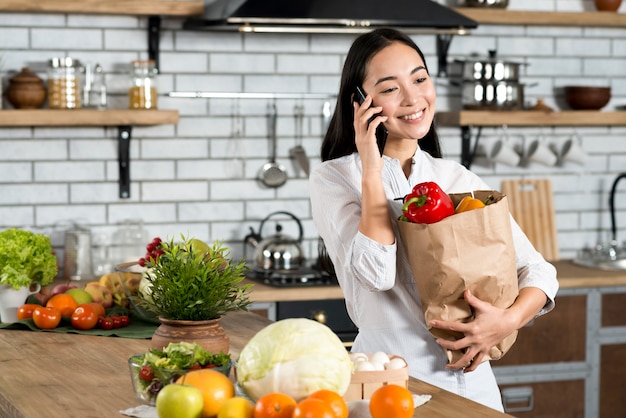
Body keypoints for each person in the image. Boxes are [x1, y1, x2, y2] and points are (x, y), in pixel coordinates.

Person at [309, 27, 559, 411]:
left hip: (475, 388)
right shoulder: (335, 179)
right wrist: (370, 167)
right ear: (360, 102)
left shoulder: (458, 178)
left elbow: (539, 272)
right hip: (388, 387)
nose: (413, 98)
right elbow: (376, 273)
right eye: (390, 88)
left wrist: (506, 321)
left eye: (420, 78)